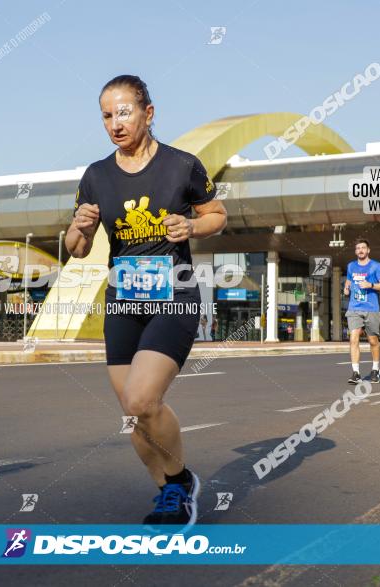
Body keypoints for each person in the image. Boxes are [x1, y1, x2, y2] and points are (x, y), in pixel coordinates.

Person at [66, 75, 227, 530]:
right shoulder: (96, 176)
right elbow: (76, 248)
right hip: (122, 299)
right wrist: (79, 225)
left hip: (173, 294)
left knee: (142, 398)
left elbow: (217, 214)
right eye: (106, 115)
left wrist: (191, 228)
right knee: (134, 416)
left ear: (148, 113)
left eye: (123, 112)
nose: (114, 123)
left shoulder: (182, 166)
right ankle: (170, 493)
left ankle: (178, 481)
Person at [343, 239, 380, 384]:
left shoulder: (376, 266)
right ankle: (356, 373)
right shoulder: (351, 266)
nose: (360, 250)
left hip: (372, 308)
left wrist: (370, 284)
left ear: (368, 250)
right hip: (354, 307)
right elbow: (349, 281)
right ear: (356, 251)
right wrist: (346, 288)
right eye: (358, 248)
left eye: (363, 248)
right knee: (353, 337)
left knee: (372, 340)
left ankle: (375, 369)